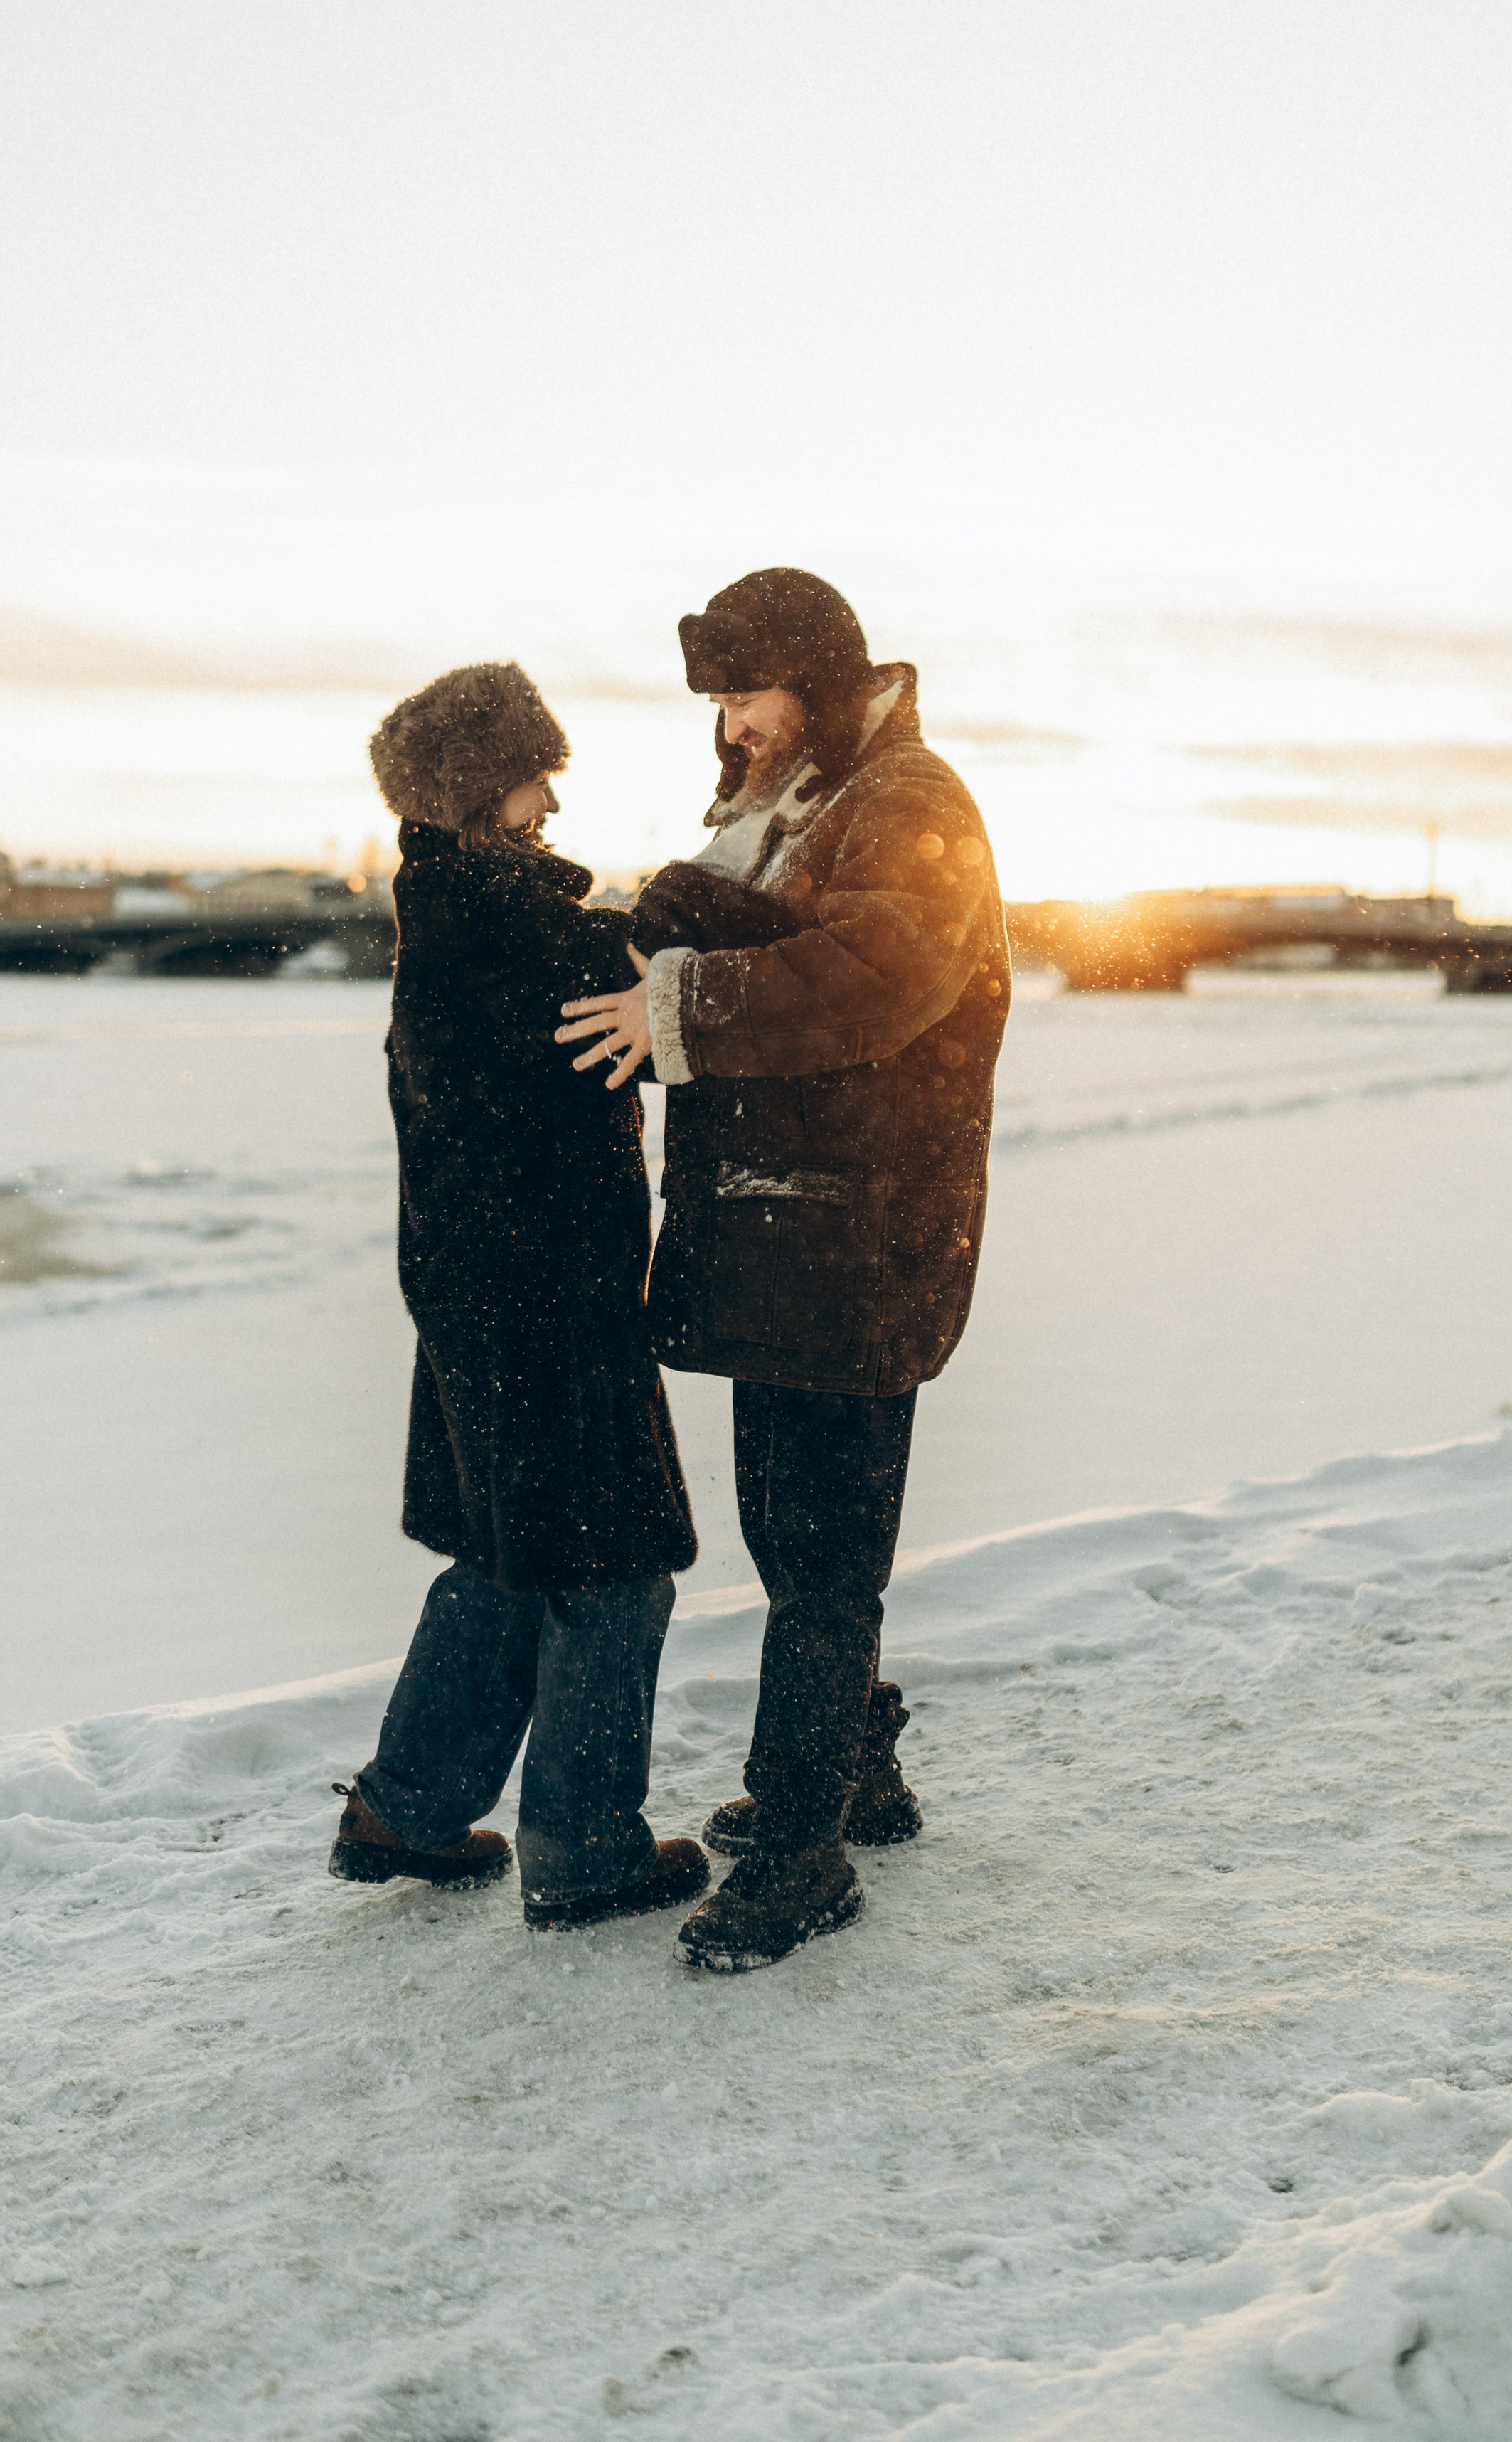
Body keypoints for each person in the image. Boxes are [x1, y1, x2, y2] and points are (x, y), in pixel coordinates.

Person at [557, 570, 1010, 1972]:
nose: (732, 723)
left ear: (815, 684)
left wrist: (680, 996)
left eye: (745, 694)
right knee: (787, 1527)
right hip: (783, 1220)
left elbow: (880, 971)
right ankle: (853, 1770)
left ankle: (805, 1856)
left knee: (822, 1555)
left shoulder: (906, 801)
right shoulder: (800, 800)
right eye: (719, 701)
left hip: (864, 1232)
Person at [329, 660, 710, 1933]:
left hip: (474, 1291)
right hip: (553, 1299)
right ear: (488, 786)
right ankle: (583, 1847)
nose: (554, 795)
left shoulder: (443, 911)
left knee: (508, 1554)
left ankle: (411, 1806)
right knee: (617, 1563)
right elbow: (635, 1022)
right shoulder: (524, 922)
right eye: (538, 770)